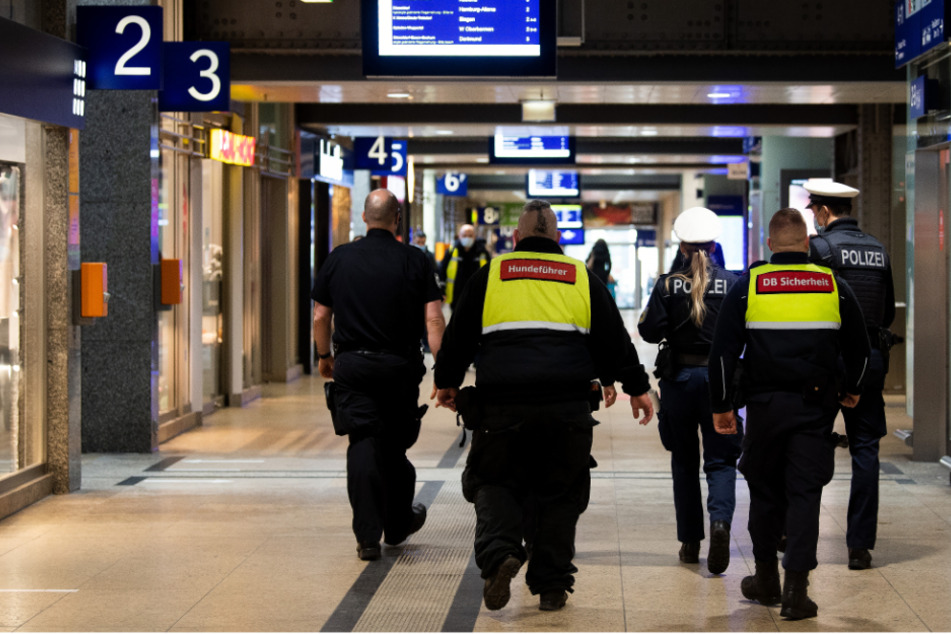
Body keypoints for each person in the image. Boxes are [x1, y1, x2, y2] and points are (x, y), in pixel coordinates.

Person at [434, 199, 655, 613]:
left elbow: (459, 335)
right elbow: (614, 339)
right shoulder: (580, 276)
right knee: (560, 492)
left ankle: (501, 554)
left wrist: (445, 382)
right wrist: (637, 387)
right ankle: (551, 585)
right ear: (557, 237)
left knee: (494, 480)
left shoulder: (492, 274)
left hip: (501, 408)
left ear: (516, 237)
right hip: (567, 410)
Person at [709, 208, 870, 620]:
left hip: (763, 409)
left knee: (763, 490)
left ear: (769, 244)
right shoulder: (834, 286)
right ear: (806, 243)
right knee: (804, 494)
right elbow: (860, 350)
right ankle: (796, 590)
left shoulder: (750, 286)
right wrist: (852, 389)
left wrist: (723, 405)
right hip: (815, 409)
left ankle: (766, 581)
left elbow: (723, 352)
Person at [312, 189, 446, 561]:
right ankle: (399, 521)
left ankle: (368, 537)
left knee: (363, 443)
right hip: (399, 368)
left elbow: (321, 316)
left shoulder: (339, 258)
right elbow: (433, 319)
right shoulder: (415, 261)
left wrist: (325, 356)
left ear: (363, 217)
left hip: (353, 366)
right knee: (393, 446)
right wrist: (445, 369)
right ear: (397, 219)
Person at [637, 207, 742, 575]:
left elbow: (649, 331)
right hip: (721, 383)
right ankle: (720, 525)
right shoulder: (733, 283)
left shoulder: (667, 285)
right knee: (720, 460)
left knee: (684, 461)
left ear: (681, 246)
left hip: (679, 382)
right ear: (714, 245)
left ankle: (690, 541)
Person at [805, 178, 895, 571]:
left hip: (827, 363)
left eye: (814, 213)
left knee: (808, 444)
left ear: (824, 212)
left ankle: (797, 532)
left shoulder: (820, 248)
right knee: (865, 450)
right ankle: (860, 546)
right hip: (870, 361)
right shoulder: (877, 249)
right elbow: (888, 311)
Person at [439, 223, 491, 311]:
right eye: (464, 235)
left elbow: (490, 272)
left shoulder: (482, 253)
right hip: (456, 296)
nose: (467, 238)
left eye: (470, 235)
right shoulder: (451, 252)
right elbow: (442, 271)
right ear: (459, 236)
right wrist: (442, 291)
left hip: (477, 295)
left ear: (475, 236)